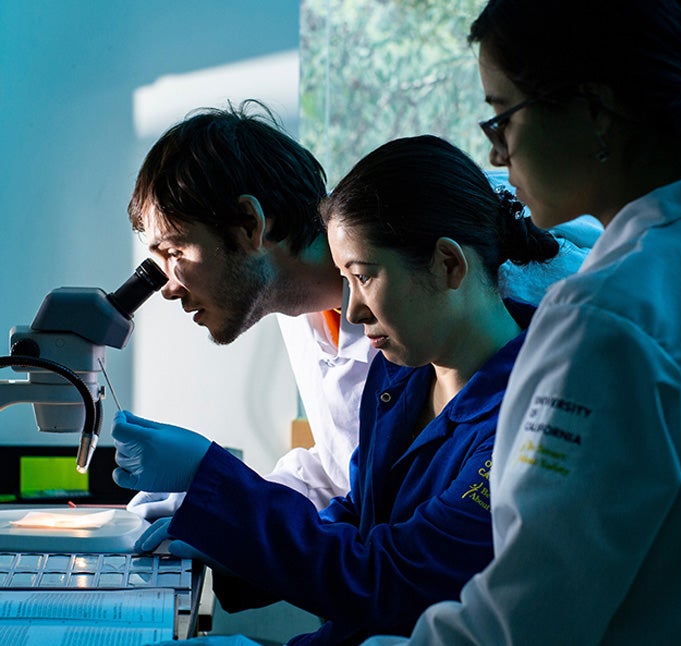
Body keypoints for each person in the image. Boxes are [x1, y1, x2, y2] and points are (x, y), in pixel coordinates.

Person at [365, 1, 681, 644]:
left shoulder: (611, 312)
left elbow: (531, 618)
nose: (493, 150)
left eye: (503, 116)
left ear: (594, 112)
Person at [113, 134, 560, 644]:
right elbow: (356, 513)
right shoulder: (399, 375)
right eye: (346, 279)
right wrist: (230, 535)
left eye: (363, 277)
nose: (351, 311)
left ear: (449, 265)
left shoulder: (527, 414)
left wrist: (216, 484)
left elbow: (395, 579)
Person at [123, 101, 600, 519]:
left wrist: (218, 484)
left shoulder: (452, 309)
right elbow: (349, 477)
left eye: (176, 251)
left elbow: (412, 556)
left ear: (250, 223)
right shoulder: (302, 312)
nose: (165, 285)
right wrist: (211, 507)